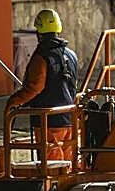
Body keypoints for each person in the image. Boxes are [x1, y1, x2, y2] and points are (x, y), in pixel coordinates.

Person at [5, 9, 79, 161]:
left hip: (49, 121)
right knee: (69, 165)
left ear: (39, 31)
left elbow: (34, 87)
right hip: (68, 117)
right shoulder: (71, 55)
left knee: (52, 165)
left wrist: (14, 101)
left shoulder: (42, 57)